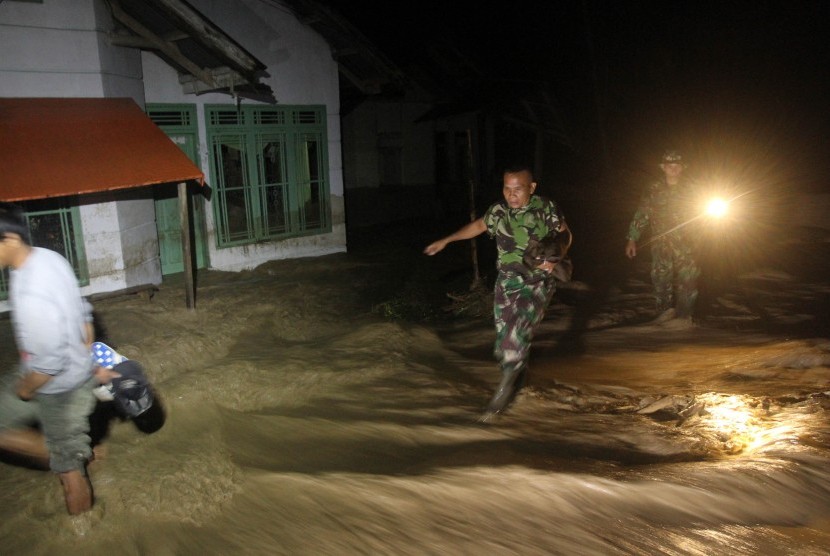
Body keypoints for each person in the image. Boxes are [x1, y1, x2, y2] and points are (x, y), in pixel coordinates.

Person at [424, 165, 571, 419]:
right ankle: (519, 380)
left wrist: (556, 256)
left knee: (513, 340)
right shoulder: (498, 210)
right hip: (506, 284)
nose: (511, 195)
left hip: (537, 282)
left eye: (518, 189)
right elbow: (480, 225)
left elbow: (566, 235)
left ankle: (498, 404)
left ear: (531, 188)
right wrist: (446, 240)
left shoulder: (545, 208)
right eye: (507, 188)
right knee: (502, 347)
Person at [0, 203, 98, 515]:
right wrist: (85, 341)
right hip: (54, 371)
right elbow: (82, 308)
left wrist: (26, 391)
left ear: (11, 239)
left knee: (68, 476)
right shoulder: (49, 257)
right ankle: (72, 451)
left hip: (58, 388)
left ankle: (86, 534)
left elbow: (48, 364)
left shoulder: (32, 292)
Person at [625, 150, 700, 322]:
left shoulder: (693, 188)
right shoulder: (653, 188)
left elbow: (704, 213)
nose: (673, 169)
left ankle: (684, 317)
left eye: (677, 165)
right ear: (663, 167)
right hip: (661, 242)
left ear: (682, 168)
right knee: (661, 278)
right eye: (669, 165)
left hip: (687, 243)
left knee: (688, 279)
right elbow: (642, 213)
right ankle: (663, 315)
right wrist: (632, 238)